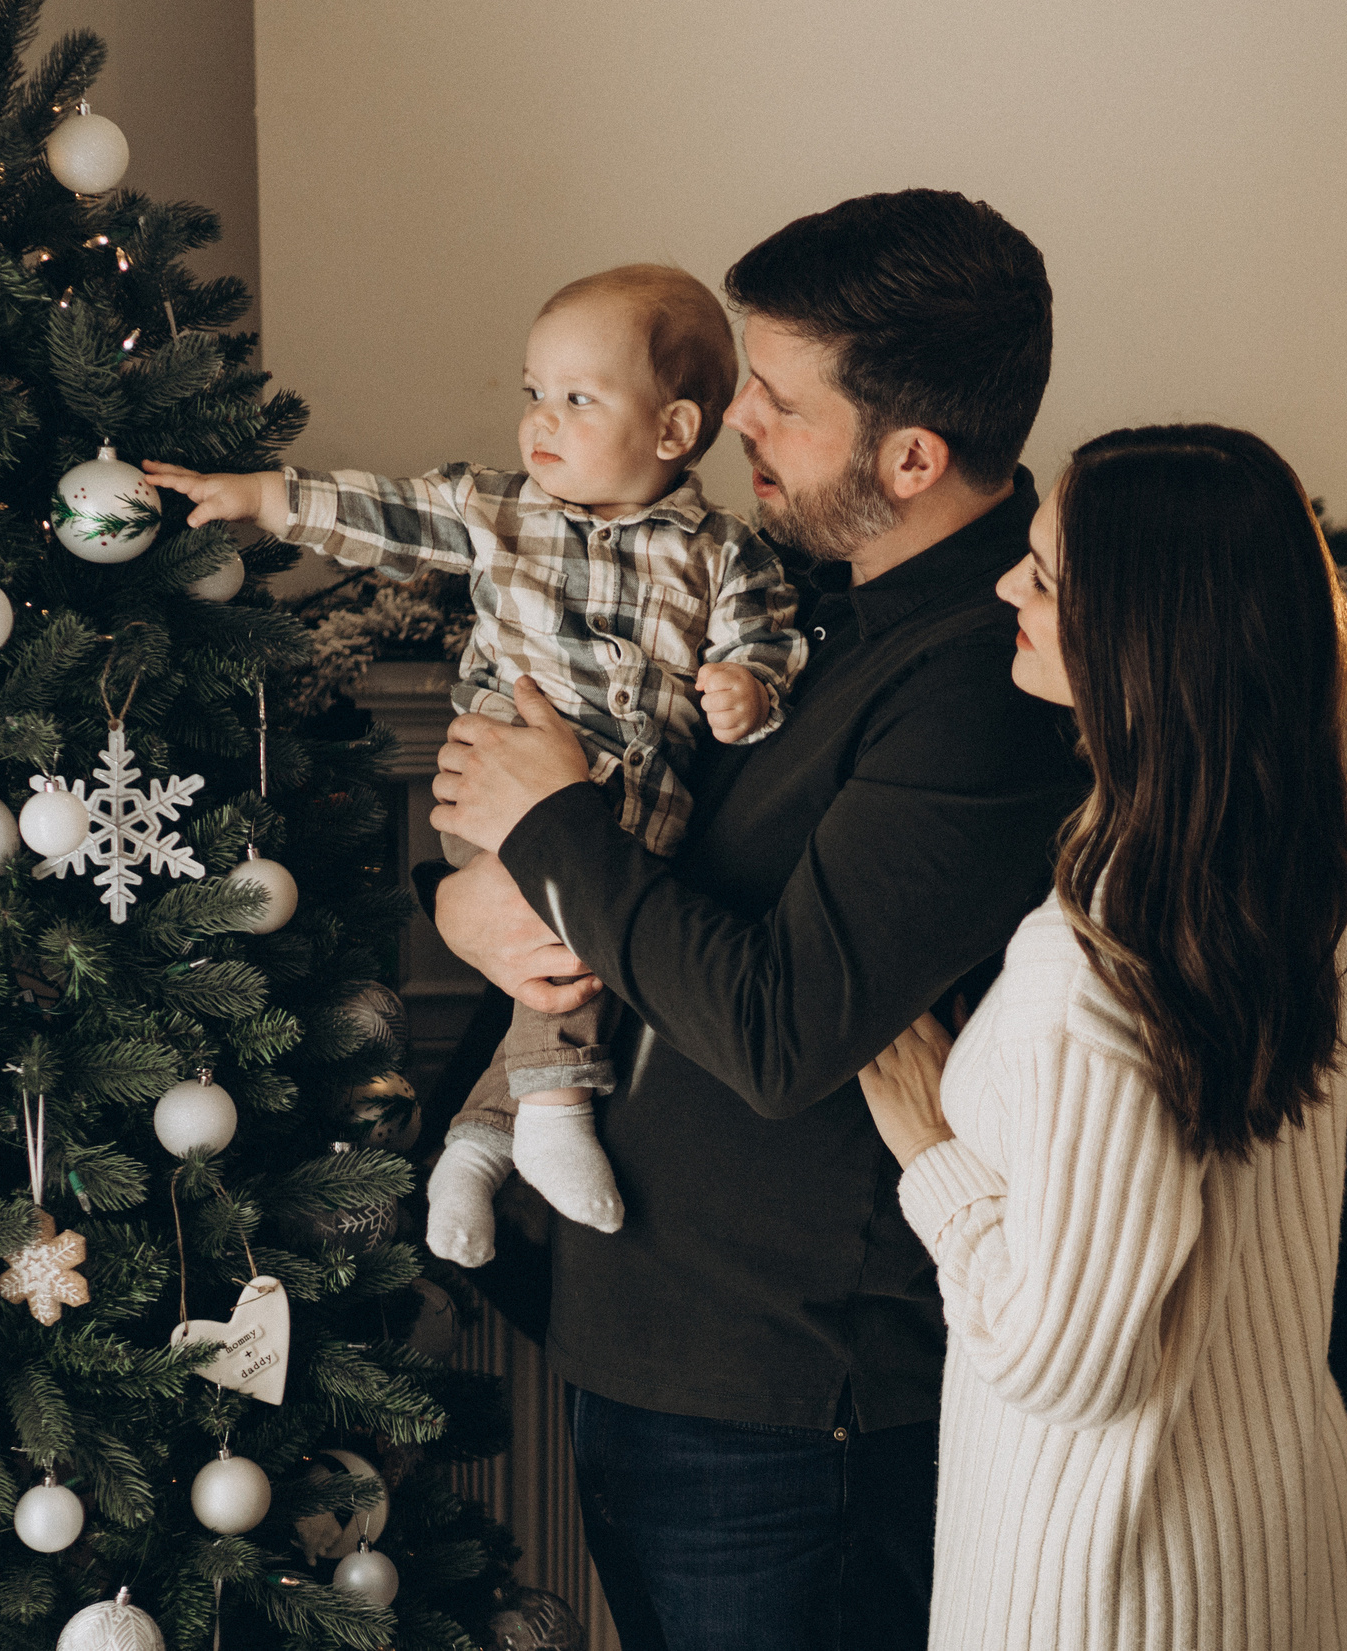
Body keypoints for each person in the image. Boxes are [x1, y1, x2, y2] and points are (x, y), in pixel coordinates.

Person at [424, 190, 1085, 1650]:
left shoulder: (989, 681)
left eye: (781, 401)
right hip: (648, 1334)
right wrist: (470, 900)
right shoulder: (790, 597)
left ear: (909, 456)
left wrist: (546, 829)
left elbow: (784, 1029)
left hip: (789, 1405)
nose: (735, 422)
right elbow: (637, 851)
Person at [144, 264, 805, 1244]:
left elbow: (765, 641)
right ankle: (552, 1111)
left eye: (577, 398)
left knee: (580, 959)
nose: (540, 419)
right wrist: (261, 496)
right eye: (534, 390)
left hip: (633, 814)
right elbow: (385, 514)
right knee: (570, 940)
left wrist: (746, 689)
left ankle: (477, 1144)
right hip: (496, 798)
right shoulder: (501, 510)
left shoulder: (724, 551)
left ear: (672, 430)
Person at [855, 424, 1347, 1649]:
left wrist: (931, 1155)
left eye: (1042, 576)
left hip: (1103, 1587)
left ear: (1139, 636)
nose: (1005, 589)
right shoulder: (1274, 898)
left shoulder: (1093, 958)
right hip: (1261, 1545)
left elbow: (1069, 1366)